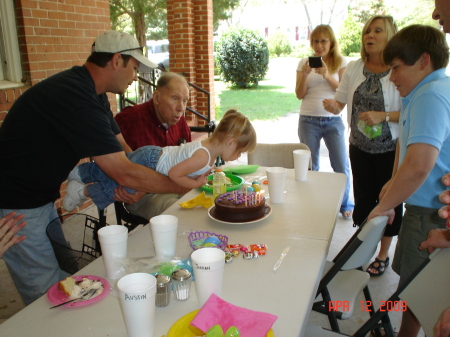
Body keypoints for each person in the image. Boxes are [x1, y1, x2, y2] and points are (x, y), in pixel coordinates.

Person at [0, 30, 192, 305]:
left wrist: (138, 183)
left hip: (40, 199)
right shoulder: (74, 96)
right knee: (45, 293)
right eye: (134, 67)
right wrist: (182, 184)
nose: (135, 76)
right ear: (116, 61)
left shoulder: (94, 95)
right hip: (15, 204)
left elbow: (126, 154)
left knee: (67, 275)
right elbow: (122, 171)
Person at [366, 24, 450, 337]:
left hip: (431, 212)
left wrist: (382, 207)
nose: (392, 77)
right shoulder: (424, 91)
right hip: (422, 206)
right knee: (411, 283)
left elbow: (418, 166)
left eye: (397, 68)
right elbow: (407, 148)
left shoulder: (430, 95)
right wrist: (392, 183)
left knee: (418, 287)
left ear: (424, 61)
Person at [323, 15, 402, 277]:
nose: (369, 35)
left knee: (389, 201)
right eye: (367, 31)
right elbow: (340, 103)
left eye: (377, 31)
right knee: (365, 200)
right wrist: (331, 106)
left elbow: (410, 112)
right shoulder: (355, 67)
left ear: (389, 36)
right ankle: (363, 249)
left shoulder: (399, 70)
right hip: (359, 148)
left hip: (390, 150)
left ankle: (382, 255)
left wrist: (383, 115)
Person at [64, 109, 256, 211]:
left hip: (153, 157)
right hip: (152, 162)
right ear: (230, 142)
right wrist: (194, 183)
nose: (239, 157)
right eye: (240, 152)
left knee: (116, 177)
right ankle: (82, 187)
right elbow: (174, 174)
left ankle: (82, 176)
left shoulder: (209, 149)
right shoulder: (203, 156)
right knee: (121, 185)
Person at [114, 72, 193, 220]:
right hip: (143, 193)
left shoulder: (180, 121)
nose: (181, 108)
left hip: (176, 183)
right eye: (175, 98)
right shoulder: (129, 119)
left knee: (211, 201)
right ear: (157, 97)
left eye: (185, 101)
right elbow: (112, 163)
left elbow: (188, 161)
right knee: (181, 215)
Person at [295, 24, 354, 220]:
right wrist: (304, 76)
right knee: (310, 165)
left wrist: (327, 75)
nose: (319, 45)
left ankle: (345, 203)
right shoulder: (305, 62)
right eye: (315, 41)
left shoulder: (341, 62)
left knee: (340, 164)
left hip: (333, 119)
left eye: (323, 41)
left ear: (331, 42)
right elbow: (299, 94)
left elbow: (344, 91)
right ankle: (310, 202)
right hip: (308, 119)